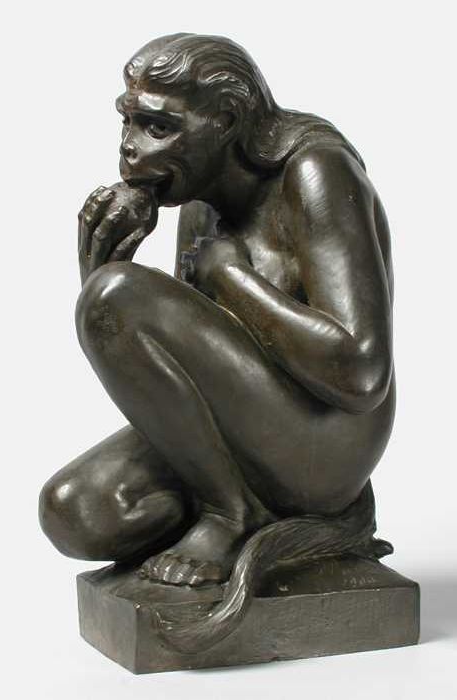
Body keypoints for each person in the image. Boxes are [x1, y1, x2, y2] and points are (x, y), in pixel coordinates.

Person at [39, 33, 395, 590]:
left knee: (115, 295)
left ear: (226, 121)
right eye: (128, 122)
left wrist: (228, 277)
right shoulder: (201, 204)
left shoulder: (316, 172)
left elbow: (362, 371)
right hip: (246, 430)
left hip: (328, 438)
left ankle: (231, 515)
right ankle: (240, 509)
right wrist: (100, 282)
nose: (130, 147)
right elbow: (185, 376)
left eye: (158, 127)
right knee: (75, 510)